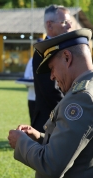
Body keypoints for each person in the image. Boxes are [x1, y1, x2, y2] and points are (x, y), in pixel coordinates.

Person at [8, 28, 93, 178]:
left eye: (52, 68)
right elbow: (84, 142)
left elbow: (51, 165)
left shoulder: (82, 98)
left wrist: (21, 142)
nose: (51, 77)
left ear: (67, 57)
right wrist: (40, 137)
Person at [32, 4, 72, 132]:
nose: (69, 26)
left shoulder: (61, 48)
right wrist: (69, 111)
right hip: (49, 121)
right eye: (64, 22)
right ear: (49, 25)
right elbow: (51, 91)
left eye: (69, 22)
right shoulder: (42, 51)